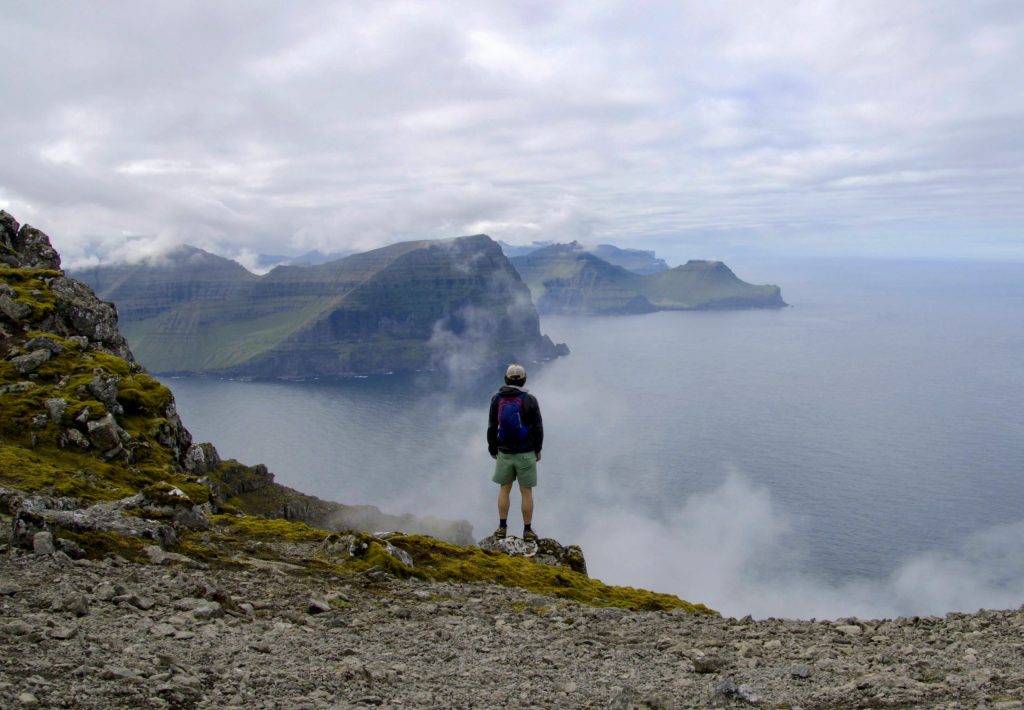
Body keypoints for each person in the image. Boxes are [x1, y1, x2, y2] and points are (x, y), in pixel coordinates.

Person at [487, 363, 543, 541]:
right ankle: (527, 530)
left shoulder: (497, 399)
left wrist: (493, 448)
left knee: (504, 489)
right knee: (526, 491)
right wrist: (538, 450)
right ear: (524, 379)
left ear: (506, 379)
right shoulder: (530, 400)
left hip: (504, 451)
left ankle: (502, 527)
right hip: (526, 452)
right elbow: (538, 428)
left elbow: (492, 426)